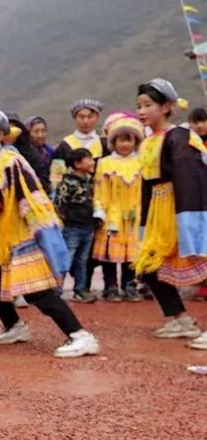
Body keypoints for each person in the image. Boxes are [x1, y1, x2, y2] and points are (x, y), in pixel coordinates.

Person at [0, 108, 100, 358]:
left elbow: (32, 197)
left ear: (0, 135)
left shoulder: (11, 162)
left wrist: (46, 235)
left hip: (20, 238)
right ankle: (15, 327)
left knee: (38, 293)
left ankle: (80, 335)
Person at [133, 79, 207, 349]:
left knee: (199, 264)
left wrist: (188, 219)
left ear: (166, 107)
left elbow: (190, 177)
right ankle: (180, 319)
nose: (141, 111)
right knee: (150, 265)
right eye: (139, 106)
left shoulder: (179, 137)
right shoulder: (150, 140)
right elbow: (147, 183)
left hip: (179, 208)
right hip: (157, 210)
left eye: (148, 105)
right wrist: (144, 218)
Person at [92, 113, 143, 302]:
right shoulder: (105, 163)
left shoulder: (141, 163)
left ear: (135, 141)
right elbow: (100, 188)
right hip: (112, 214)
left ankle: (130, 285)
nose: (125, 145)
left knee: (133, 254)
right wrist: (100, 210)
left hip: (134, 214)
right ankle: (111, 286)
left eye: (129, 140)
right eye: (121, 140)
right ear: (114, 141)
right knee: (109, 253)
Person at [54, 148, 97, 302]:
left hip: (88, 227)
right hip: (72, 228)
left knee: (82, 261)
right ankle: (56, 290)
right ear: (77, 164)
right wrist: (62, 221)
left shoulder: (90, 180)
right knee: (67, 259)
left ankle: (80, 289)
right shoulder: (68, 182)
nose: (92, 162)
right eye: (88, 159)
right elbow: (59, 203)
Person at [51, 99, 108, 191]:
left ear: (97, 117)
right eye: (81, 117)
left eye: (90, 117)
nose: (85, 121)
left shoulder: (105, 144)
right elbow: (56, 176)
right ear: (75, 118)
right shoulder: (64, 146)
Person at [27, 117, 55, 191]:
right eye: (36, 131)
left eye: (43, 131)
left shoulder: (50, 152)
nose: (40, 135)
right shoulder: (23, 153)